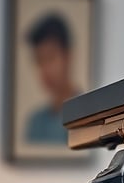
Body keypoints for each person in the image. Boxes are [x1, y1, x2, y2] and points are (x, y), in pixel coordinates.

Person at [23, 12, 81, 144]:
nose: (45, 70)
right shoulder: (35, 122)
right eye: (39, 61)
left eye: (50, 58)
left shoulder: (89, 113)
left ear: (68, 56)